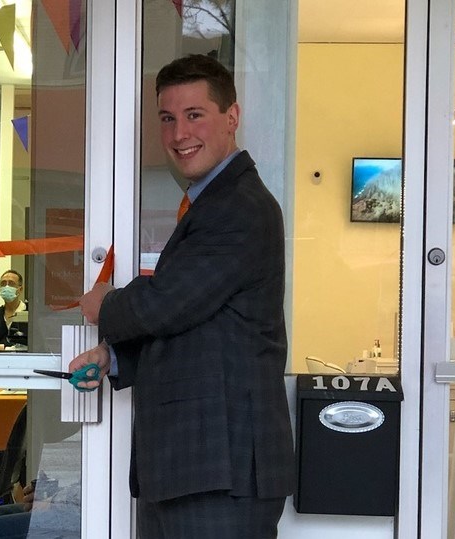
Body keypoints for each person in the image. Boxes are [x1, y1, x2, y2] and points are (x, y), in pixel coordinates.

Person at [68, 54, 295, 538]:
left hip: (220, 473)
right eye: (168, 119)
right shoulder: (211, 202)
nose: (178, 134)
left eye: (195, 115)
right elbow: (198, 323)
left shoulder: (239, 206)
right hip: (197, 470)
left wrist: (103, 303)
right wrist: (114, 359)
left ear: (231, 117)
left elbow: (166, 303)